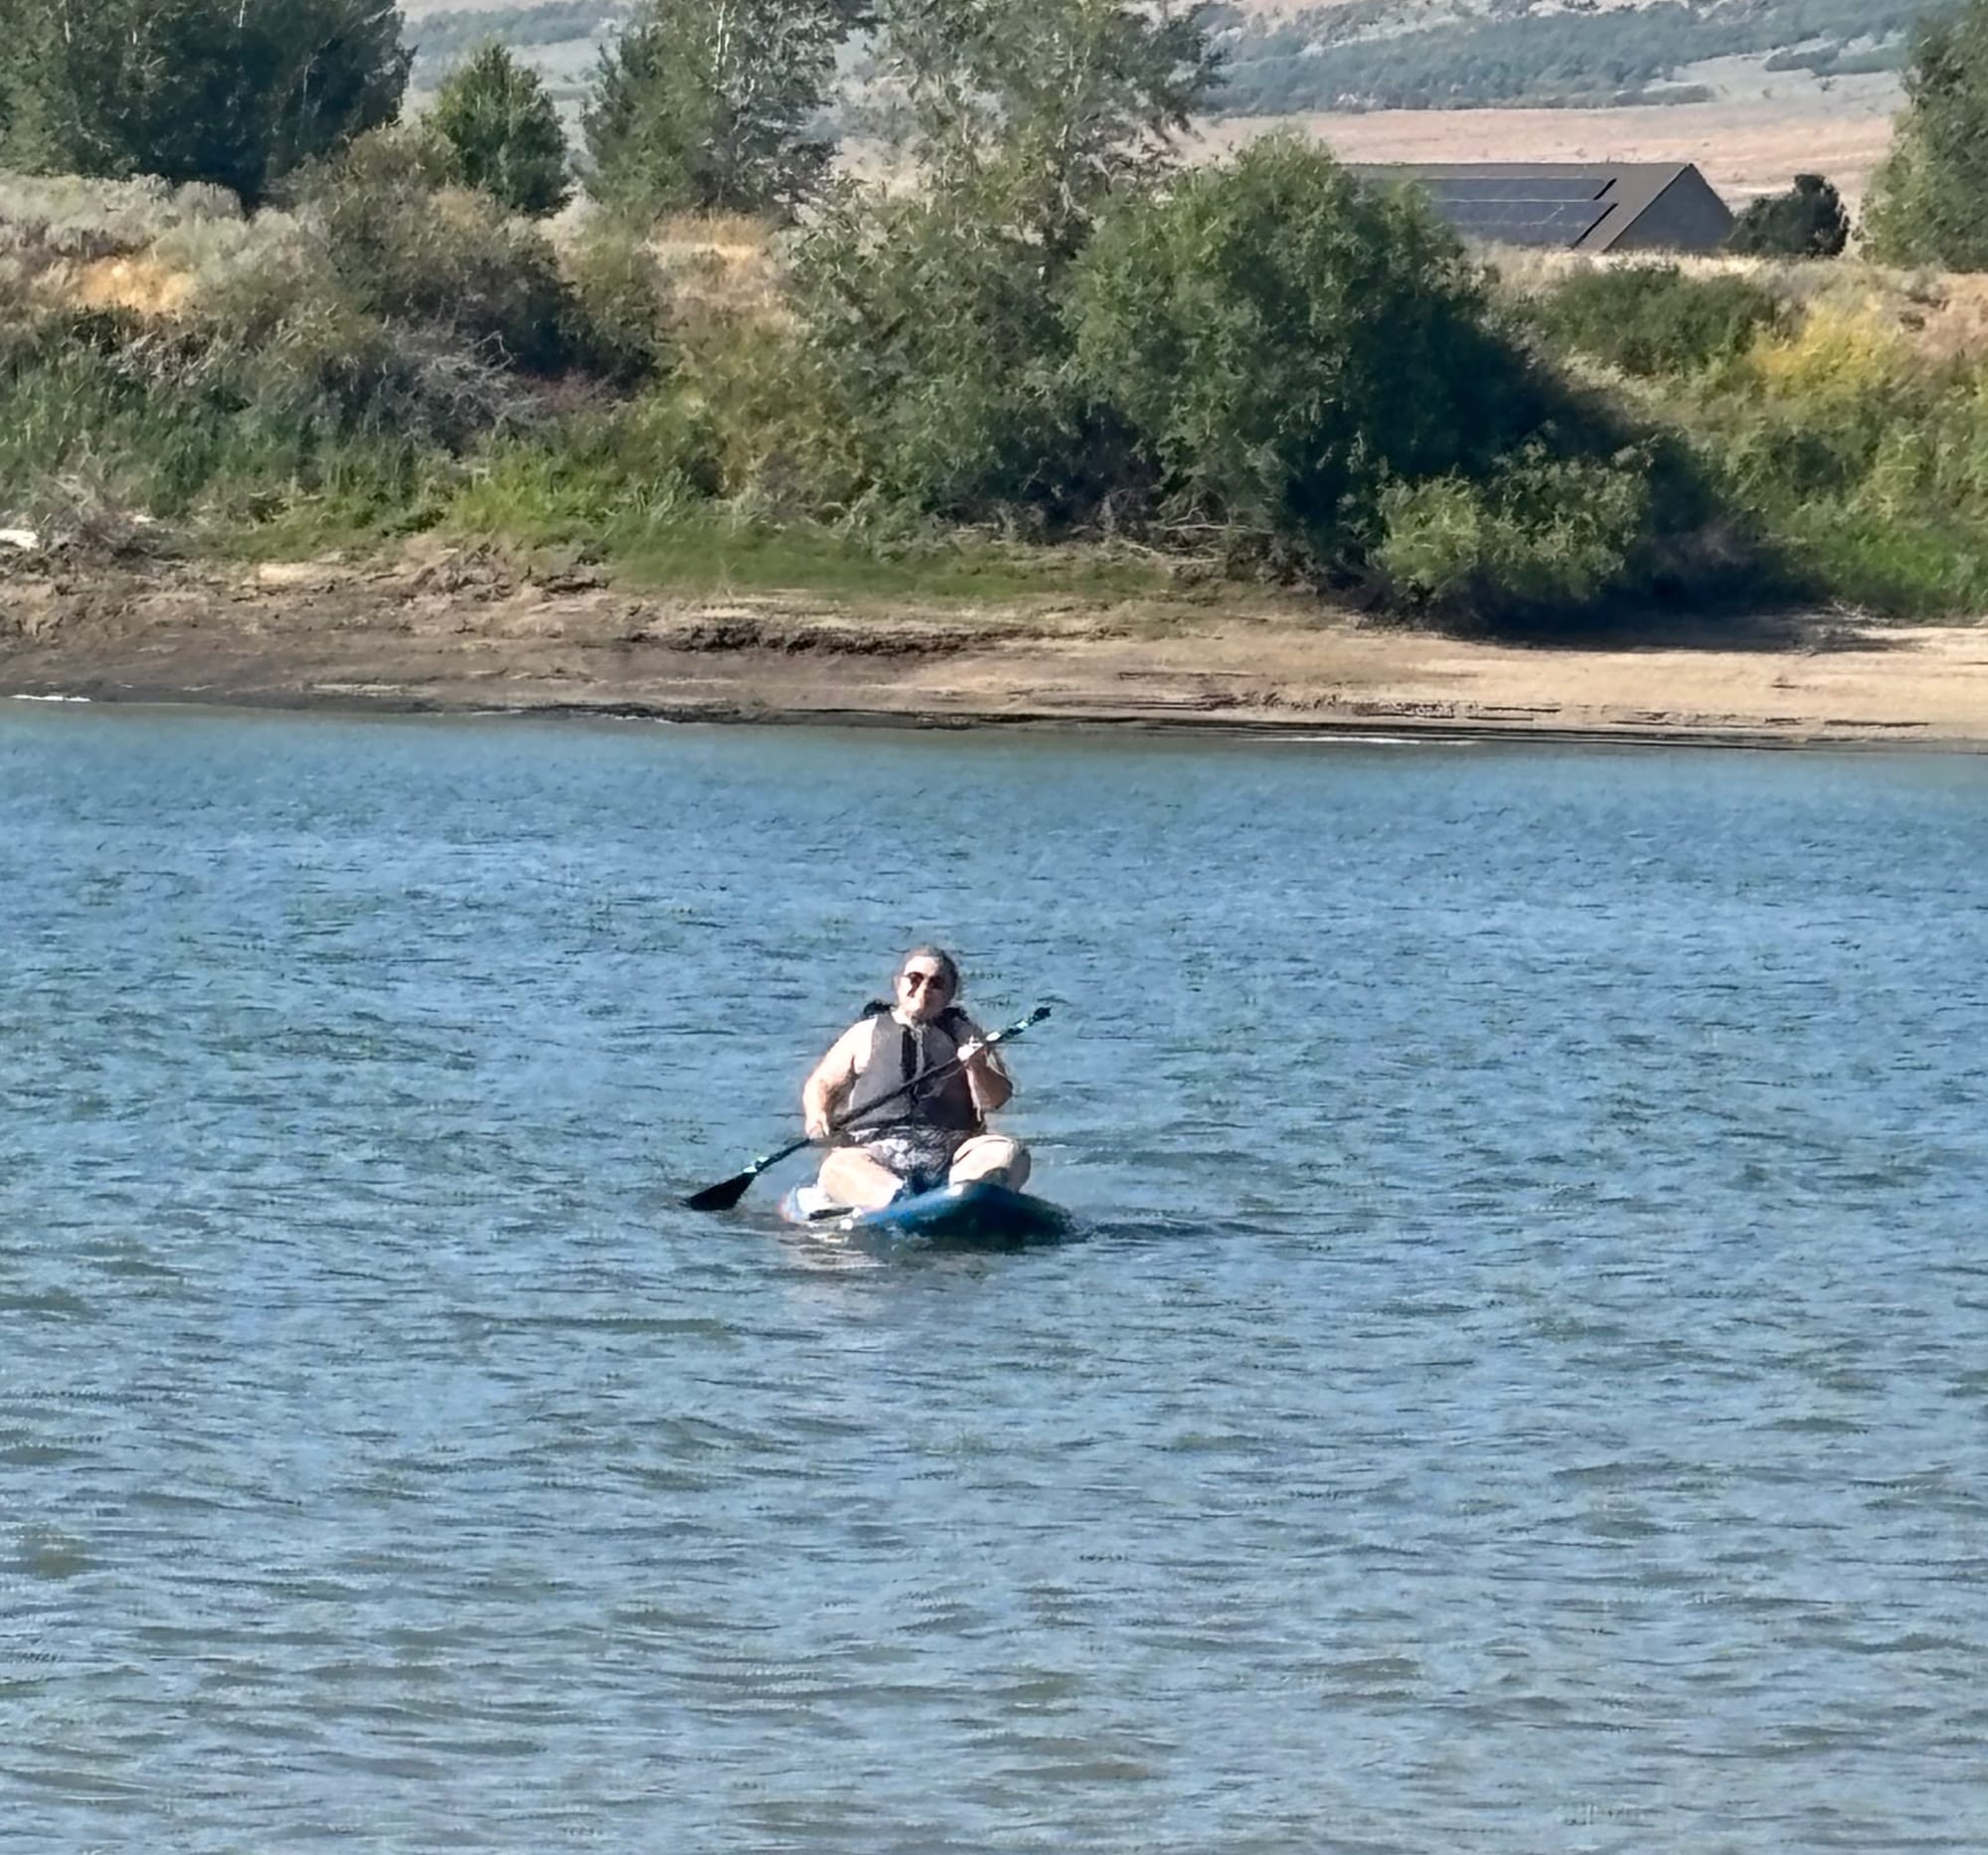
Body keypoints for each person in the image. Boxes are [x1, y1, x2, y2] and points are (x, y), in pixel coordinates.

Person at [800, 946, 1031, 1210]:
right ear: (899, 984)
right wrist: (818, 1115)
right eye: (915, 978)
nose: (923, 990)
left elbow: (995, 1099)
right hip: (876, 1152)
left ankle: (963, 1197)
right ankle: (897, 1199)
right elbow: (823, 1083)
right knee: (837, 1166)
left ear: (950, 995)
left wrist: (977, 1067)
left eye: (936, 983)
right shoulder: (864, 1033)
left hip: (952, 1152)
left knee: (1008, 1152)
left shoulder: (967, 1034)